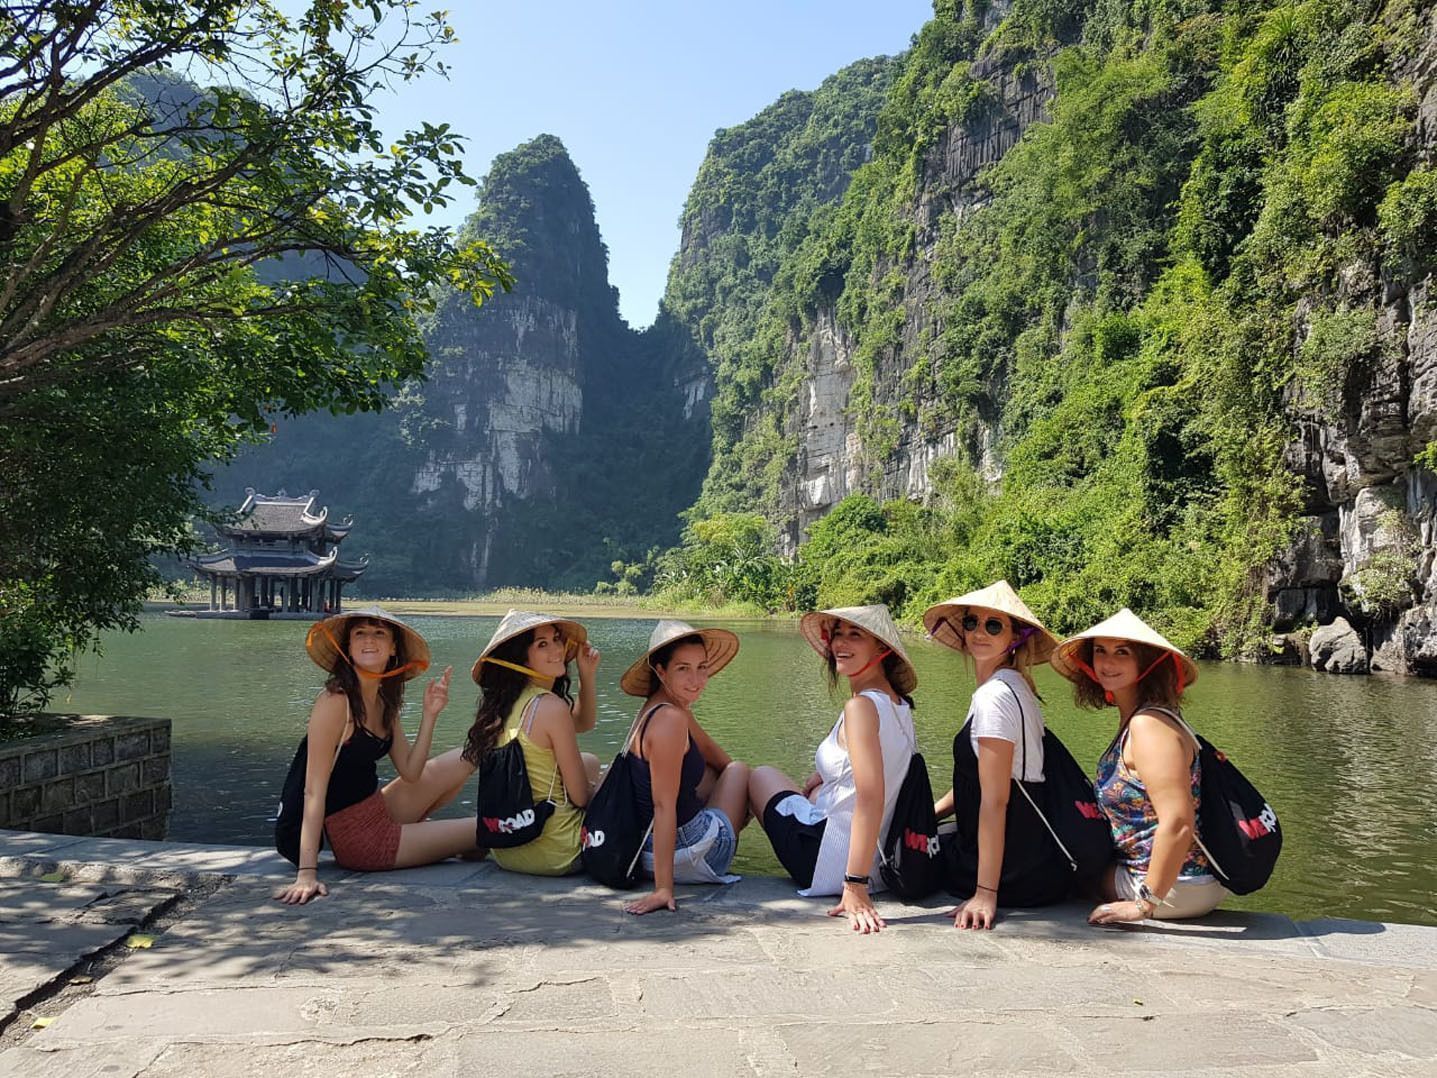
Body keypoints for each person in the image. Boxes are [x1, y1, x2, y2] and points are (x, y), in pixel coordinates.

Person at [274, 607, 478, 905]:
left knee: (468, 755)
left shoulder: (385, 699)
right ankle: (449, 840)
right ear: (348, 646)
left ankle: (439, 841)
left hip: (377, 808)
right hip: (356, 839)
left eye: (379, 633)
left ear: (393, 647)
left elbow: (410, 772)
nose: (369, 640)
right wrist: (307, 873)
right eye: (360, 633)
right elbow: (313, 791)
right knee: (486, 826)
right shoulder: (335, 702)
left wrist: (430, 716)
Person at [748, 605, 918, 934]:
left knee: (757, 775)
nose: (841, 643)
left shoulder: (861, 707)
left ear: (881, 649)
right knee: (809, 789)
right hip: (882, 865)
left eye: (855, 635)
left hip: (828, 865)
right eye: (837, 634)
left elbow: (871, 797)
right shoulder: (899, 705)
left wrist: (854, 885)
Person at [1051, 608, 1226, 922]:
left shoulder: (1148, 725)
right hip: (1174, 882)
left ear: (1145, 663)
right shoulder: (1142, 718)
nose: (1107, 662)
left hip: (1175, 887)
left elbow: (1178, 820)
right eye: (1100, 651)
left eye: (1122, 652)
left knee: (1061, 871)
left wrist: (1144, 905)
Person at [923, 581, 1066, 929]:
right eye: (972, 623)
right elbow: (982, 779)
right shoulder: (1013, 687)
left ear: (1015, 637)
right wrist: (931, 815)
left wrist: (985, 892)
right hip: (1028, 860)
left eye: (993, 625)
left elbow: (995, 800)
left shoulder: (995, 698)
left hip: (1013, 874)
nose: (979, 633)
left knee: (904, 859)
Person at [619, 620, 751, 915]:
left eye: (702, 667)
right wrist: (663, 889)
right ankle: (723, 851)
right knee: (741, 771)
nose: (696, 680)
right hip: (686, 853)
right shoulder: (671, 720)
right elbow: (663, 806)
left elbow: (716, 758)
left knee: (713, 772)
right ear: (660, 671)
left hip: (644, 848)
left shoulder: (660, 708)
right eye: (683, 669)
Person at [460, 609, 603, 876]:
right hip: (557, 853)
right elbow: (581, 797)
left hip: (508, 849)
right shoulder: (550, 707)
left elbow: (583, 723)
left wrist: (587, 676)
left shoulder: (499, 708)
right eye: (542, 644)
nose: (557, 649)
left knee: (590, 762)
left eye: (557, 639)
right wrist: (607, 789)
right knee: (618, 775)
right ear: (520, 657)